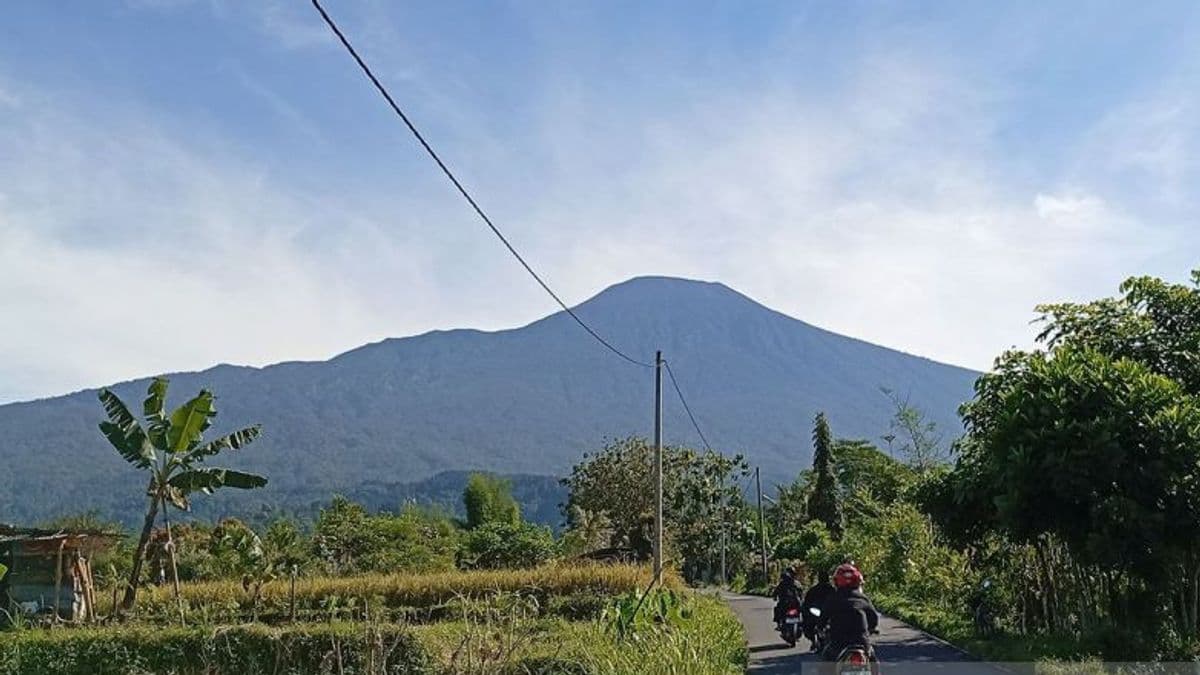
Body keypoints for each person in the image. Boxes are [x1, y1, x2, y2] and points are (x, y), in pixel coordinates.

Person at [817, 563, 879, 662]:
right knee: (873, 661)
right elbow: (873, 618)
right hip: (862, 643)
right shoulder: (863, 599)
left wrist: (820, 628)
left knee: (825, 663)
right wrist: (870, 629)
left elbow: (822, 619)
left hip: (838, 644)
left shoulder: (833, 599)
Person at [801, 568, 836, 651]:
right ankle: (814, 641)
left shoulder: (832, 589)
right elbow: (806, 602)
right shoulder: (816, 590)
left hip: (828, 613)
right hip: (816, 611)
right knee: (807, 623)